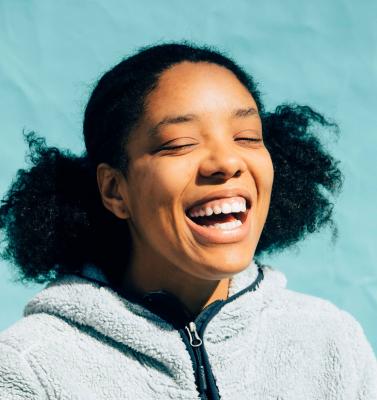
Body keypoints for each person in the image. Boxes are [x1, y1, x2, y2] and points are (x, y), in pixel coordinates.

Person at [0, 42, 376, 400]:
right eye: (179, 143)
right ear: (115, 190)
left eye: (246, 137)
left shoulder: (331, 342)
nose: (227, 162)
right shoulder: (31, 368)